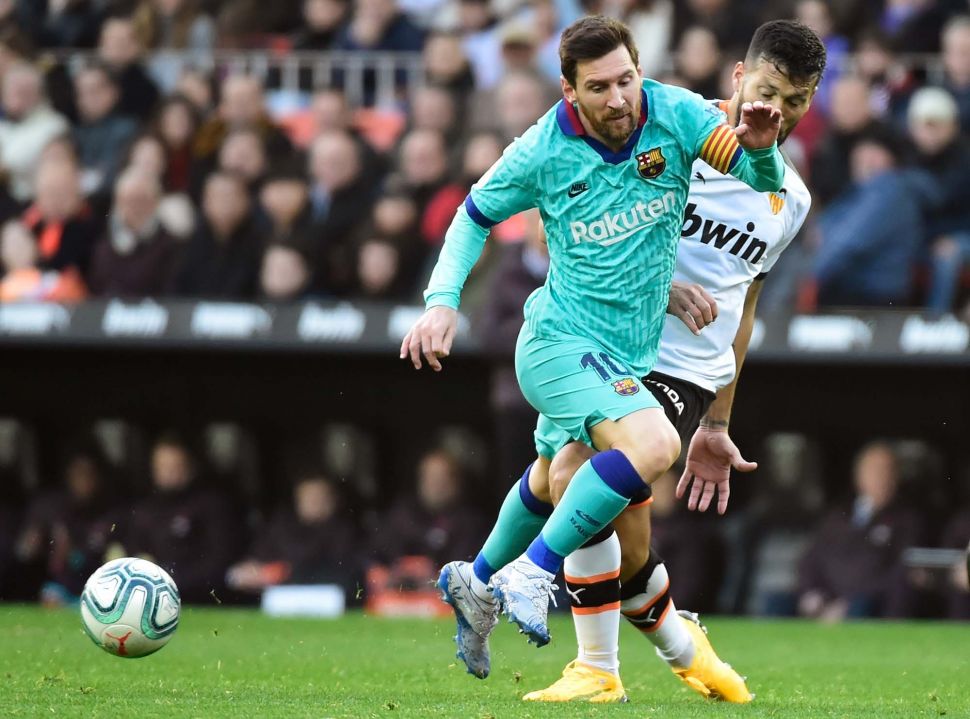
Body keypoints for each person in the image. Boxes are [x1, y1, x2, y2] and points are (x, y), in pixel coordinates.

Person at [401, 13, 784, 686]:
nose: (618, 99)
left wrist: (760, 147)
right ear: (569, 89)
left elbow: (757, 174)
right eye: (599, 87)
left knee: (561, 474)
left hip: (621, 352)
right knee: (656, 445)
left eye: (627, 80)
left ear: (642, 70)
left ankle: (478, 579)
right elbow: (474, 215)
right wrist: (441, 302)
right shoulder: (542, 148)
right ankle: (534, 573)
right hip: (556, 344)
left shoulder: (676, 115)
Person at [525, 20, 822, 703]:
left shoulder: (791, 198)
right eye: (771, 91)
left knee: (572, 474)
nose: (781, 111)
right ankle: (685, 646)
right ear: (738, 80)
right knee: (619, 535)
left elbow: (743, 308)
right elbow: (567, 223)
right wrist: (657, 287)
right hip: (604, 341)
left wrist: (717, 423)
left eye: (799, 100)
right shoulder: (667, 134)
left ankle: (597, 671)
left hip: (682, 371)